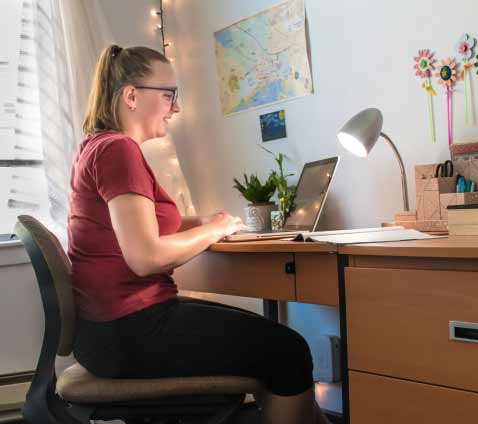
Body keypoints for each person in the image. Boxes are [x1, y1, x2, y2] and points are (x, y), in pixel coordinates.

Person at [68, 45, 330, 424]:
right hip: (130, 331)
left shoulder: (96, 146)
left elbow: (137, 225)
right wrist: (214, 230)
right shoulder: (118, 151)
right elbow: (146, 257)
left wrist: (201, 221)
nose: (175, 108)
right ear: (131, 95)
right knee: (289, 350)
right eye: (168, 95)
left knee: (271, 345)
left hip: (108, 329)